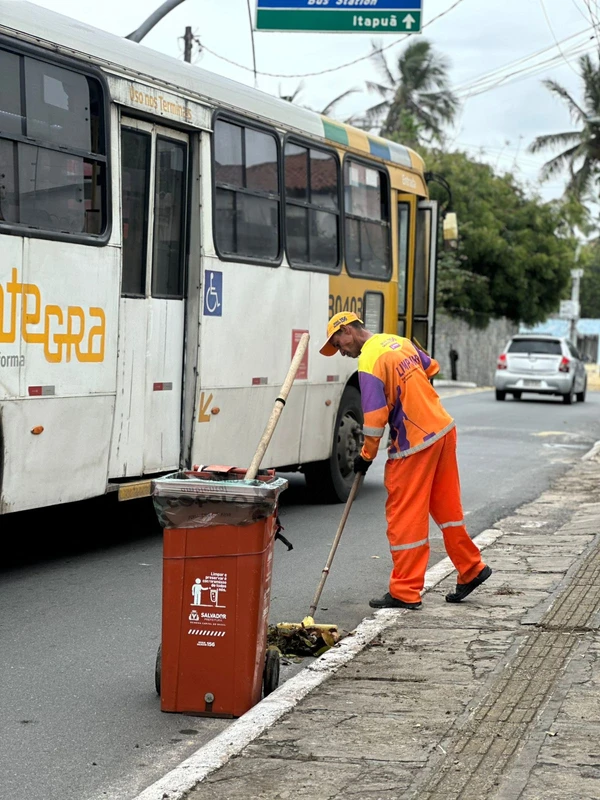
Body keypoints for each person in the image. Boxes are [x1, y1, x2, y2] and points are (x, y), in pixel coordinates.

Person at [319, 312, 491, 610]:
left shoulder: (369, 361)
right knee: (447, 509)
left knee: (404, 517)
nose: (342, 352)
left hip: (415, 443)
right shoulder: (397, 342)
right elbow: (432, 367)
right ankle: (471, 568)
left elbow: (373, 420)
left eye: (339, 344)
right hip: (442, 430)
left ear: (348, 331)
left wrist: (365, 456)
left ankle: (405, 591)